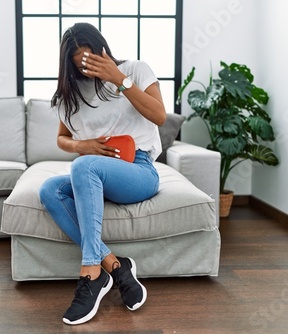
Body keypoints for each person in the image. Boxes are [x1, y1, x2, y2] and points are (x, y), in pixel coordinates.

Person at [39, 22, 166, 325]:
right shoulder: (69, 94)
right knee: (49, 190)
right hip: (95, 176)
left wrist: (119, 79)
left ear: (102, 49)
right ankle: (116, 267)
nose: (88, 69)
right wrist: (82, 144)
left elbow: (159, 115)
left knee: (83, 165)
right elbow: (62, 138)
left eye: (92, 59)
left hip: (138, 171)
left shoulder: (135, 70)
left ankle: (91, 273)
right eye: (80, 64)